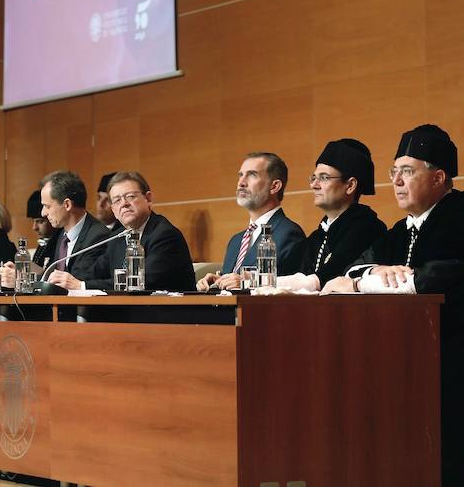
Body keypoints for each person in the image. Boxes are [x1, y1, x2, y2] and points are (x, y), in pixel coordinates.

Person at [320, 125, 464, 486]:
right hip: (405, 360)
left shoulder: (459, 215)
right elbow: (349, 273)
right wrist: (369, 276)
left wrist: (369, 282)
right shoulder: (402, 228)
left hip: (452, 358)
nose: (397, 181)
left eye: (408, 171)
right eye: (393, 172)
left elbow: (432, 278)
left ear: (439, 176)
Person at [275, 139, 386, 291]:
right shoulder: (318, 235)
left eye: (324, 178)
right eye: (314, 178)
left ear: (350, 185)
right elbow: (291, 273)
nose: (314, 185)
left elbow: (319, 281)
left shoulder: (367, 227)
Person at [70, 172, 195, 292]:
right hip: (129, 311)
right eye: (117, 200)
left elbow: (143, 281)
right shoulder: (117, 238)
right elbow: (94, 272)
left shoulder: (164, 235)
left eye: (130, 196)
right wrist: (69, 281)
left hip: (168, 311)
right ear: (113, 209)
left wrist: (82, 285)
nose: (124, 204)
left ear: (148, 199)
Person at [198, 152, 305, 291]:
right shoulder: (236, 240)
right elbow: (234, 284)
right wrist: (218, 281)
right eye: (240, 175)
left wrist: (244, 283)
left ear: (274, 186)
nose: (241, 182)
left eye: (252, 175)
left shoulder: (289, 234)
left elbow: (288, 286)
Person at [1, 172, 109, 289]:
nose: (43, 213)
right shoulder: (61, 234)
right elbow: (55, 278)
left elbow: (71, 283)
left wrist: (22, 280)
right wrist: (21, 273)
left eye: (47, 206)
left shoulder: (97, 236)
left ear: (67, 204)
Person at [27, 189, 59, 267]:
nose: (34, 227)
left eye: (40, 222)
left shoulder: (59, 244)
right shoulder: (43, 243)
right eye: (33, 221)